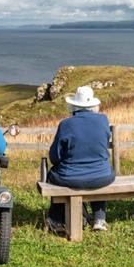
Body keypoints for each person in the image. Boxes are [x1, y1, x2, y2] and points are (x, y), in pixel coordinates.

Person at [45, 86, 115, 234]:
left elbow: (55, 157)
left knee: (53, 175)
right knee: (95, 174)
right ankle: (99, 218)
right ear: (93, 106)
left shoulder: (66, 124)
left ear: (74, 106)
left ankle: (56, 219)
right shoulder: (103, 120)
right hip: (102, 176)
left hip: (71, 177)